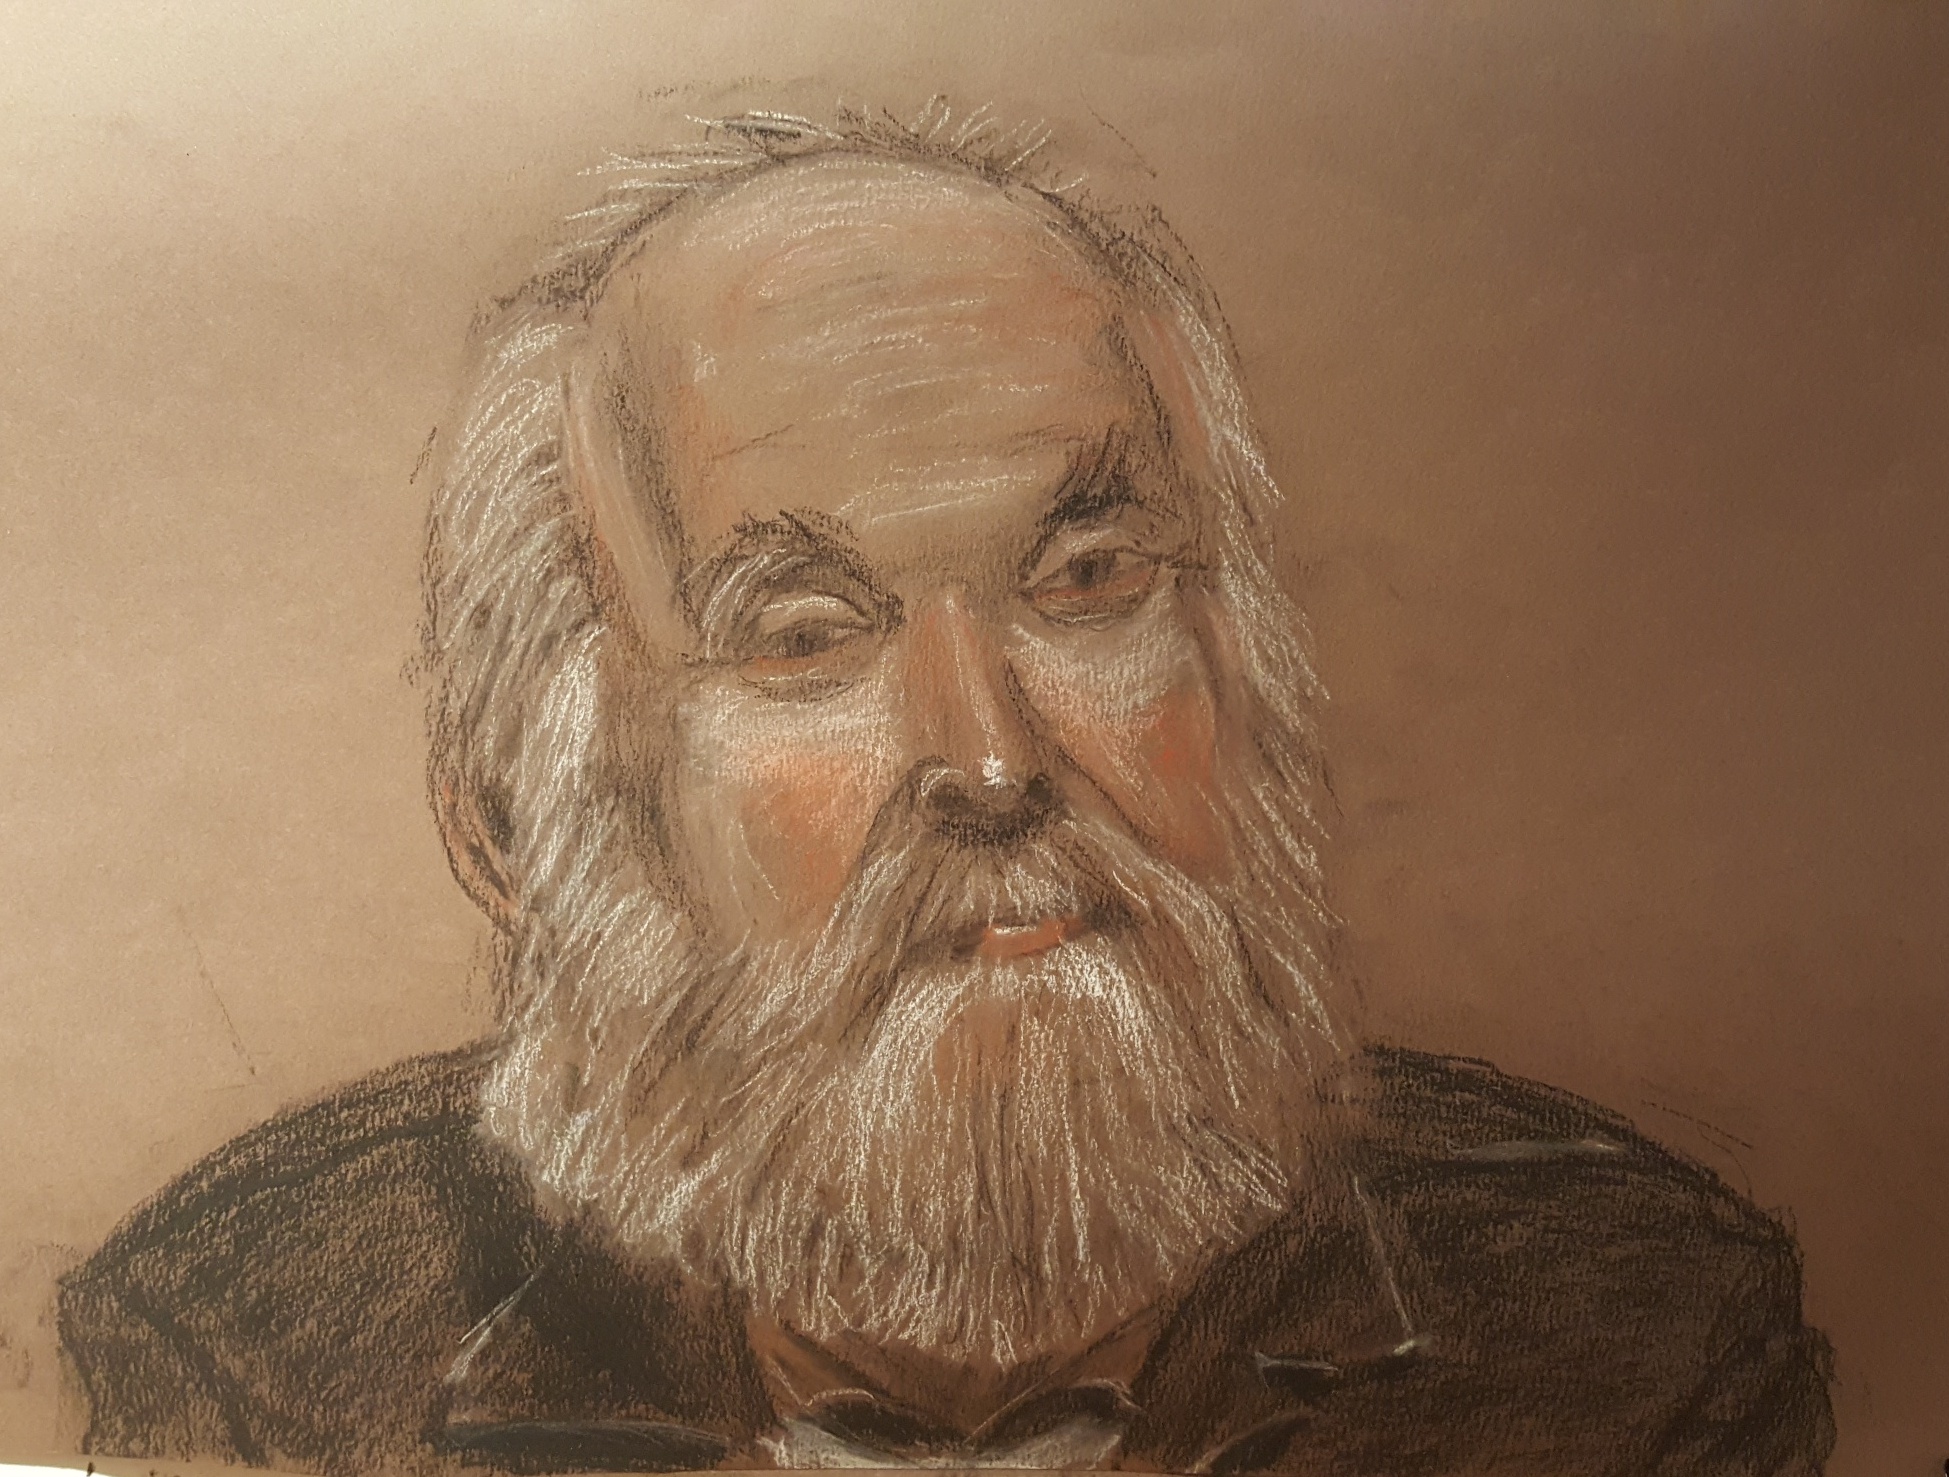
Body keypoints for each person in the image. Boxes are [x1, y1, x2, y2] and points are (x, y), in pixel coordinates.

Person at [59, 105, 1834, 1475]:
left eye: (1087, 580)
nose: (989, 759)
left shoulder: (1641, 1338)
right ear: (522, 831)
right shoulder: (253, 1356)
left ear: (1239, 672)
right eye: (802, 635)